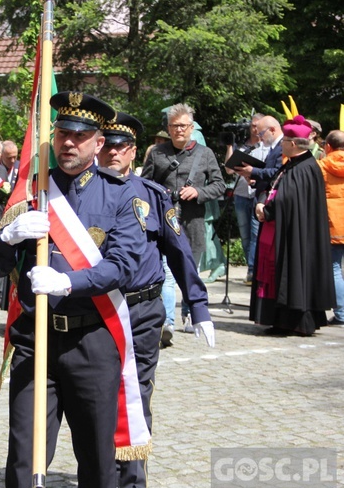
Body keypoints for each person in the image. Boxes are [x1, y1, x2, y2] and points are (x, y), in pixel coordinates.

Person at [0, 92, 146, 488]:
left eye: (81, 135)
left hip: (91, 340)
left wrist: (69, 283)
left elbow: (123, 265)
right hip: (35, 338)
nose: (69, 143)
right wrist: (7, 237)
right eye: (62, 133)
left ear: (98, 142)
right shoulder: (32, 193)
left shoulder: (120, 194)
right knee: (25, 454)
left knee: (95, 456)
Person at [97, 113, 214, 488]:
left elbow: (179, 252)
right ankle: (101, 477)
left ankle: (130, 485)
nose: (113, 153)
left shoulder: (152, 194)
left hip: (142, 311)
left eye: (122, 147)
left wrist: (197, 305)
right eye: (107, 145)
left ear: (133, 152)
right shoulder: (80, 195)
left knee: (136, 393)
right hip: (97, 312)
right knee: (97, 396)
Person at [142, 103, 225, 333]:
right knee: (167, 272)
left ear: (191, 128)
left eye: (183, 126)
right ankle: (167, 322)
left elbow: (219, 185)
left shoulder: (205, 154)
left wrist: (199, 192)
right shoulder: (157, 153)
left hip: (193, 221)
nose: (179, 130)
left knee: (190, 269)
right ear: (168, 128)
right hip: (163, 221)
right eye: (174, 126)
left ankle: (189, 315)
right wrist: (161, 197)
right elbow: (145, 186)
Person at [251, 115, 335, 335]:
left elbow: (286, 199)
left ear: (294, 144)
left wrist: (266, 210)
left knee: (292, 274)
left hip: (293, 233)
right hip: (283, 229)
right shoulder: (294, 166)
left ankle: (293, 322)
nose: (282, 147)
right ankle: (280, 320)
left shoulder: (304, 168)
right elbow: (274, 188)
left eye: (285, 143)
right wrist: (262, 203)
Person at [224, 113, 264, 284]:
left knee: (256, 234)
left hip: (257, 195)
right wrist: (229, 146)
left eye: (258, 125)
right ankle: (251, 267)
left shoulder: (267, 147)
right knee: (245, 235)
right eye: (253, 125)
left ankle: (253, 270)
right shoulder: (242, 146)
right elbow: (229, 170)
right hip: (241, 194)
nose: (254, 128)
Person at [318, 130, 344, 326]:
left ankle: (342, 313)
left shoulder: (322, 166)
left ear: (328, 146)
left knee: (334, 268)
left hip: (333, 223)